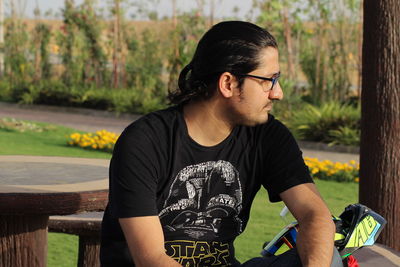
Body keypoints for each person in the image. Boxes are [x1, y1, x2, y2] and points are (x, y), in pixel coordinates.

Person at [100, 21, 341, 267]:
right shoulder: (145, 142)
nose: (277, 93)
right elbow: (151, 259)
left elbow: (316, 216)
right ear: (228, 83)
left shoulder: (267, 136)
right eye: (268, 80)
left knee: (327, 255)